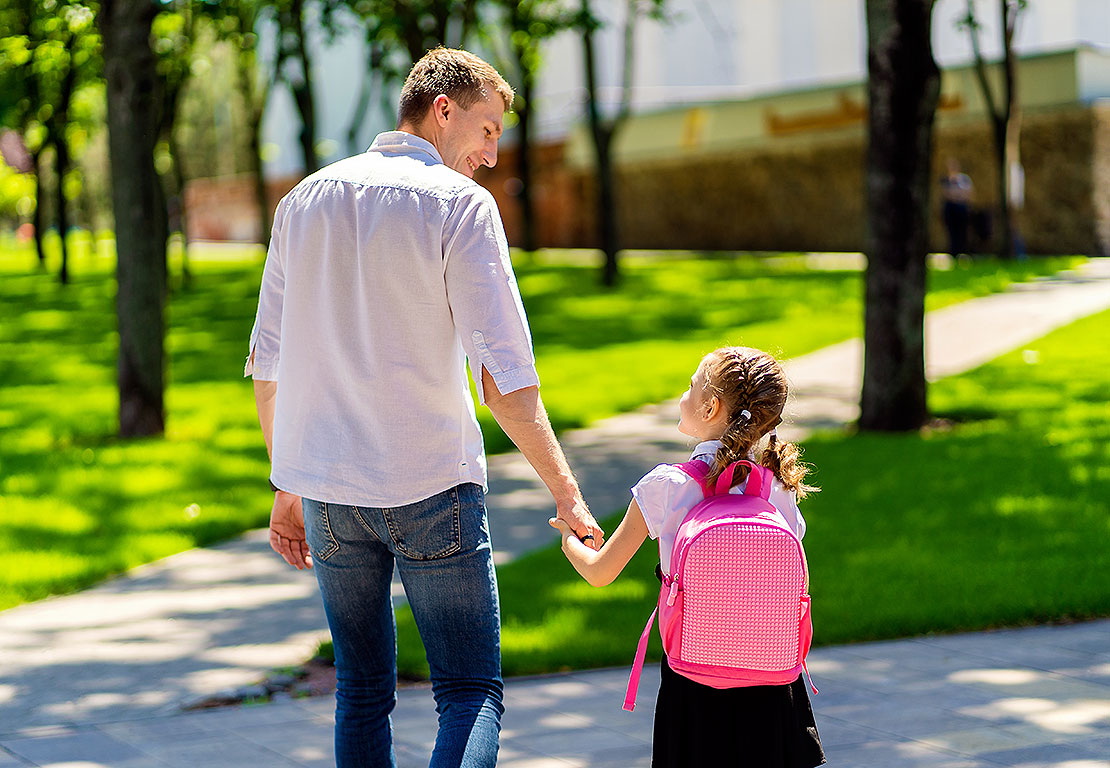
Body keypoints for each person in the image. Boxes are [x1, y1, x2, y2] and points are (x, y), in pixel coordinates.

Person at [245, 47, 604, 768]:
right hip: (430, 486)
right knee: (470, 690)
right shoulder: (459, 204)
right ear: (443, 110)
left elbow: (268, 363)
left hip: (328, 494)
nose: (493, 154)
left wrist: (286, 484)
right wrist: (566, 491)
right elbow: (503, 376)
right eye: (488, 129)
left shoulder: (303, 201)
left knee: (361, 687)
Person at [549, 346, 826, 768]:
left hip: (693, 683)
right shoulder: (778, 490)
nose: (683, 394)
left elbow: (600, 572)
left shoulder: (667, 485)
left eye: (690, 386)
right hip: (773, 684)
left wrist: (571, 539)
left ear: (710, 406)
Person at [940, 158, 973, 259]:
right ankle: (953, 252)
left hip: (961, 210)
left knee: (962, 232)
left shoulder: (964, 179)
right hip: (950, 210)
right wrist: (957, 196)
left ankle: (962, 252)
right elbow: (946, 194)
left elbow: (968, 193)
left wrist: (956, 196)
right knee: (951, 232)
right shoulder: (946, 180)